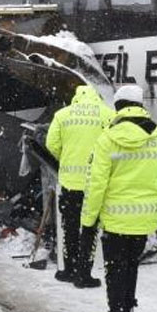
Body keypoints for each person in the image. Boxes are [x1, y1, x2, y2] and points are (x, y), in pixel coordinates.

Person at [81, 85, 157, 312]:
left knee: (115, 270)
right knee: (131, 266)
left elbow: (96, 184)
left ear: (118, 107)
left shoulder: (108, 138)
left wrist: (88, 220)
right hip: (144, 220)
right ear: (141, 107)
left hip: (114, 221)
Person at [45, 85, 114, 288]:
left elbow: (52, 144)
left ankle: (68, 270)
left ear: (77, 97)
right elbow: (114, 144)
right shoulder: (108, 115)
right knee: (90, 228)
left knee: (70, 227)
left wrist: (65, 159)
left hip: (70, 182)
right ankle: (84, 274)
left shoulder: (62, 114)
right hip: (95, 183)